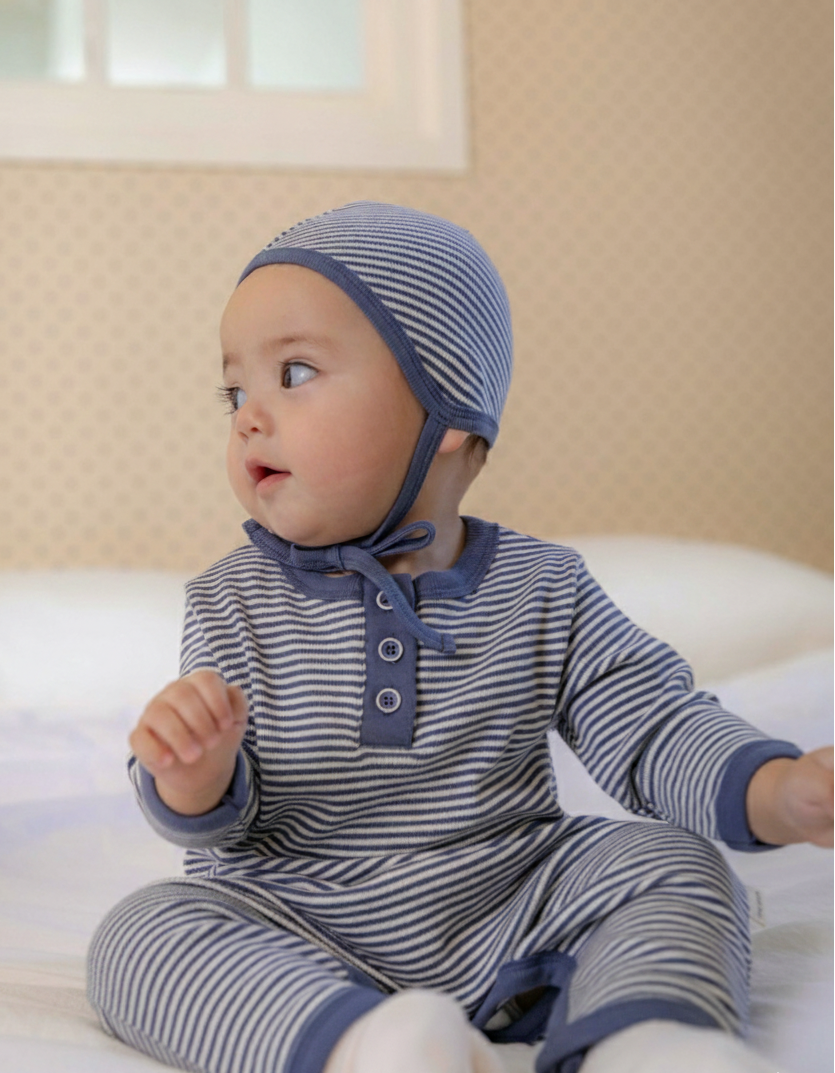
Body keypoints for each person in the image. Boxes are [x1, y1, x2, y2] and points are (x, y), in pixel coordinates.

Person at [87, 202, 833, 1073]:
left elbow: (653, 725)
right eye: (234, 391)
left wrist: (776, 790)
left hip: (509, 898)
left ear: (446, 410)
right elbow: (226, 823)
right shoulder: (233, 598)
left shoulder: (542, 587)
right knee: (140, 933)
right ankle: (373, 1047)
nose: (248, 416)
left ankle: (647, 1038)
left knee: (671, 860)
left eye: (292, 372)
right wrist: (192, 775)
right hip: (298, 918)